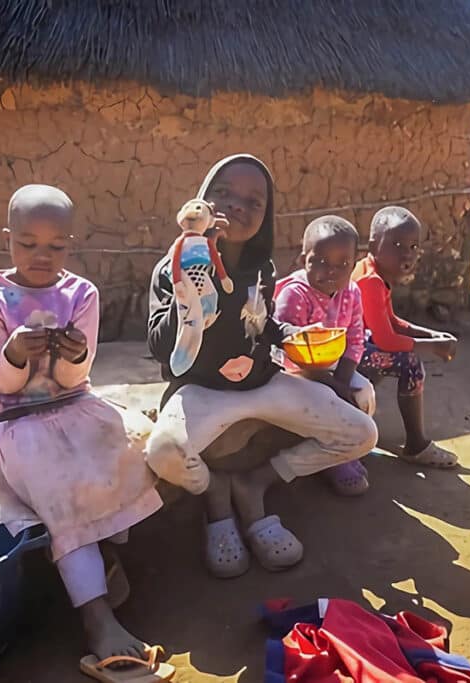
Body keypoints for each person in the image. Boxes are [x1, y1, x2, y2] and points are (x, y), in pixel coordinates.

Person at [145, 155, 378, 578]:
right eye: (223, 194)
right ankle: (215, 495)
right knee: (162, 450)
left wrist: (288, 334)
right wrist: (191, 296)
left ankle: (256, 485)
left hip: (260, 382)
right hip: (202, 390)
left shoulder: (261, 269)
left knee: (360, 433)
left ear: (266, 216)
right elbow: (161, 346)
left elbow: (262, 322)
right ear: (201, 202)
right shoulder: (176, 265)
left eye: (254, 202)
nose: (237, 206)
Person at [0, 184, 163, 664]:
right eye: (28, 243)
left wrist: (75, 356)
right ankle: (96, 616)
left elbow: (79, 377)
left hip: (76, 404)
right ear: (8, 238)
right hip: (18, 420)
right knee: (59, 491)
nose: (41, 256)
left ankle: (108, 554)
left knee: (139, 450)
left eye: (56, 246)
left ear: (71, 244)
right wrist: (14, 354)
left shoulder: (81, 293)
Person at [273, 215, 376, 496]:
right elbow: (287, 351)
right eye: (320, 261)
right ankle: (329, 459)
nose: (331, 271)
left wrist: (342, 380)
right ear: (302, 258)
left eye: (343, 264)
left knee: (363, 391)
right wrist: (331, 386)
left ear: (353, 266)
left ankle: (349, 447)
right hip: (294, 371)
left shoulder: (352, 292)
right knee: (326, 401)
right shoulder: (294, 295)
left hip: (332, 364)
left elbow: (355, 340)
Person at [353, 206, 459, 468]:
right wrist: (431, 346)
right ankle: (416, 445)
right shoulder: (370, 281)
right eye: (397, 244)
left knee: (384, 354)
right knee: (408, 363)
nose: (407, 253)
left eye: (413, 246)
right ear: (373, 244)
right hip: (343, 355)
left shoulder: (375, 274)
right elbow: (387, 338)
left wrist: (431, 334)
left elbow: (390, 322)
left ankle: (357, 422)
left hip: (352, 349)